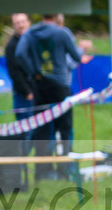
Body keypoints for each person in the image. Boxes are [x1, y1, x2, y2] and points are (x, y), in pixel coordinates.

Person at [16, 13, 93, 180]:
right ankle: (66, 170)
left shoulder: (31, 33)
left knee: (41, 129)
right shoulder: (62, 33)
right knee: (65, 129)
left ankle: (42, 172)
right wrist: (82, 48)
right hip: (60, 86)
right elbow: (76, 57)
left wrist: (33, 72)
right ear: (57, 15)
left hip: (40, 85)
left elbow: (20, 54)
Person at [5, 13, 34, 144]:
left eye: (23, 22)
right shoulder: (11, 46)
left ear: (29, 22)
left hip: (41, 93)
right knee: (26, 133)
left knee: (42, 133)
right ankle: (21, 163)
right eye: (17, 23)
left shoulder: (35, 40)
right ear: (13, 26)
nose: (20, 25)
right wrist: (27, 92)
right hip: (24, 96)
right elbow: (14, 73)